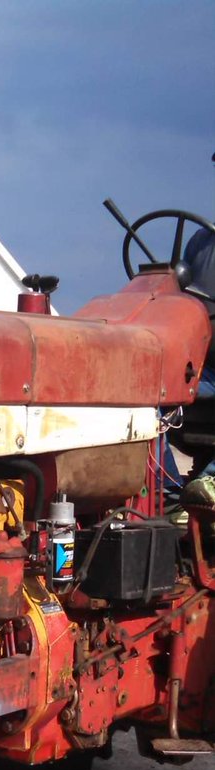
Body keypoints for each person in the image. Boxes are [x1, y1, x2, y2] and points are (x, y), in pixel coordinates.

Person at [179, 153, 215, 507]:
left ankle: (210, 481)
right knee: (145, 402)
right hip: (204, 364)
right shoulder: (200, 241)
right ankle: (171, 494)